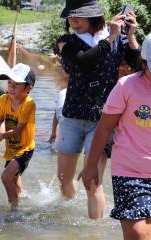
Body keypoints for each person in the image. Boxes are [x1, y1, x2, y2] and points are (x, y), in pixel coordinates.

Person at [54, 0, 140, 219]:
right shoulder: (66, 42)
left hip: (103, 120)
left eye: (78, 17)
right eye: (70, 17)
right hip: (73, 115)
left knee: (92, 181)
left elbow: (140, 65)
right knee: (64, 177)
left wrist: (129, 36)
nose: (73, 21)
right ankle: (69, 211)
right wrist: (110, 38)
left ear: (93, 17)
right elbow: (82, 62)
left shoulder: (118, 38)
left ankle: (94, 232)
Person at [80, 33, 151, 239]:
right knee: (138, 234)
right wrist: (91, 165)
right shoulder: (126, 86)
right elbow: (104, 128)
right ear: (143, 62)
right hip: (130, 172)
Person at [0, 63, 36, 210]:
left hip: (25, 149)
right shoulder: (4, 99)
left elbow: (18, 130)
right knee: (14, 179)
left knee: (6, 176)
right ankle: (22, 195)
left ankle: (14, 210)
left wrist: (1, 136)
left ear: (28, 88)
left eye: (17, 84)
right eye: (9, 83)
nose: (11, 87)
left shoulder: (29, 104)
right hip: (11, 148)